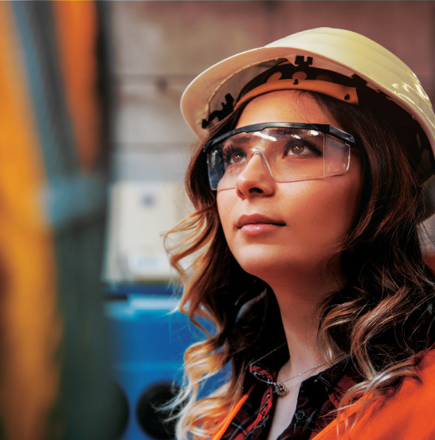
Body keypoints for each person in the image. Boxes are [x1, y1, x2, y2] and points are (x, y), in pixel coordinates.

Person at [166, 27, 435, 440]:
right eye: (235, 154)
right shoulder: (236, 407)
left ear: (385, 184)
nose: (247, 180)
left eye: (298, 147)